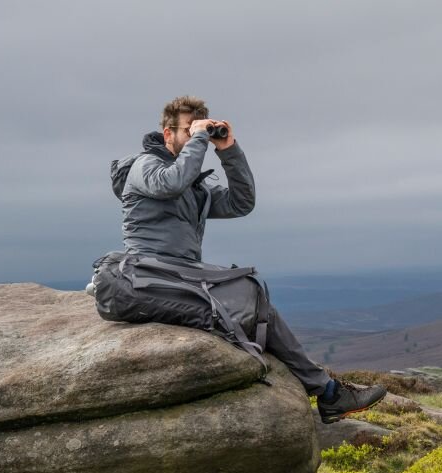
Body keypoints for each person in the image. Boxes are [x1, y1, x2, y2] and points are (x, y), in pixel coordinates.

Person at [111, 95, 384, 423]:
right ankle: (328, 392)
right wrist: (201, 138)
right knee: (249, 300)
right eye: (189, 130)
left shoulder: (195, 186)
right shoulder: (146, 167)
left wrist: (228, 149)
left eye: (202, 129)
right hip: (149, 273)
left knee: (252, 294)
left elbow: (242, 202)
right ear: (167, 134)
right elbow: (172, 182)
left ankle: (327, 392)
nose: (197, 136)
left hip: (178, 273)